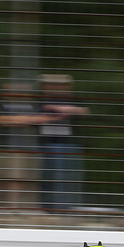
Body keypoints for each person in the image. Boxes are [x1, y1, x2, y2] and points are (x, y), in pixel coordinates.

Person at [37, 74, 89, 212]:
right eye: (51, 84)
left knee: (69, 176)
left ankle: (67, 206)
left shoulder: (72, 99)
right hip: (46, 144)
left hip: (69, 145)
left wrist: (66, 110)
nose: (54, 87)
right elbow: (33, 117)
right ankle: (51, 206)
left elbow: (84, 111)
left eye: (59, 85)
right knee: (50, 176)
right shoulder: (39, 100)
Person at [0, 82, 43, 210]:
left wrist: (16, 120)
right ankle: (0, 208)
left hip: (30, 149)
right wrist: (25, 120)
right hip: (6, 149)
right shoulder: (1, 105)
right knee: (5, 180)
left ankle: (28, 208)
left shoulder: (33, 106)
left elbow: (40, 119)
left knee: (30, 180)